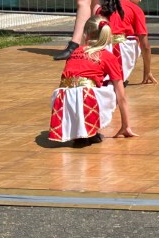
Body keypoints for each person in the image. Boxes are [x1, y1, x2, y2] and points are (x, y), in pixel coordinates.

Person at [49, 16, 136, 147]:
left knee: (78, 87)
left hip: (61, 100)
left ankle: (81, 132)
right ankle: (90, 130)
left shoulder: (75, 52)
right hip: (86, 98)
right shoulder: (107, 56)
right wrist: (126, 125)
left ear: (86, 35)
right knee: (114, 85)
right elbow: (121, 96)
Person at [100, 0, 157, 85]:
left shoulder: (103, 7)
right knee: (136, 40)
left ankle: (109, 76)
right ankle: (118, 75)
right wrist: (147, 71)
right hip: (120, 50)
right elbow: (145, 46)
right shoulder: (135, 9)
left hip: (99, 50)